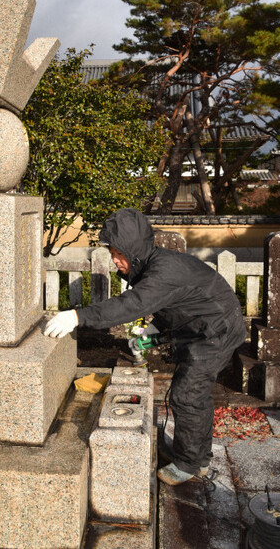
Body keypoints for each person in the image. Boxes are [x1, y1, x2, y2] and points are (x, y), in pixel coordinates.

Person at [44, 207, 246, 486]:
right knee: (192, 393)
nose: (115, 261)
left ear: (134, 250)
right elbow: (172, 302)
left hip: (215, 331)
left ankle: (190, 463)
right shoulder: (153, 264)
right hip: (200, 325)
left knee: (188, 394)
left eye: (119, 254)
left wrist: (78, 316)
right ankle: (198, 455)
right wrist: (157, 333)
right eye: (112, 253)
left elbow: (132, 304)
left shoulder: (164, 271)